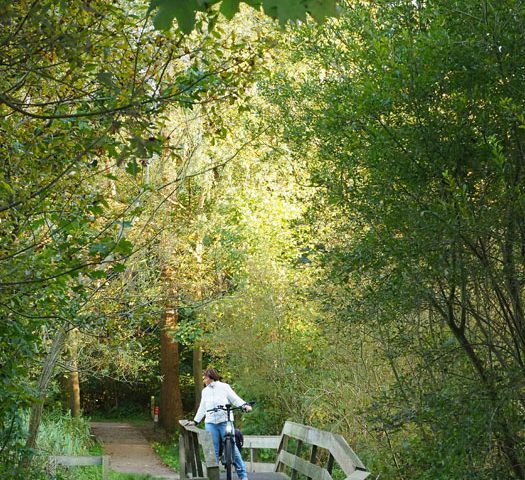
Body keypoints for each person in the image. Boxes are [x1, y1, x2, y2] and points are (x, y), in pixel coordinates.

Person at [188, 368, 252, 480]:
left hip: (225, 421)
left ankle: (243, 477)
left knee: (233, 447)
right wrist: (195, 421)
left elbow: (235, 399)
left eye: (205, 377)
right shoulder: (205, 391)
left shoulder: (224, 387)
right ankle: (214, 477)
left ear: (210, 377)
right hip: (211, 423)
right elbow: (202, 407)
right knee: (213, 451)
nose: (204, 379)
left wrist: (244, 405)